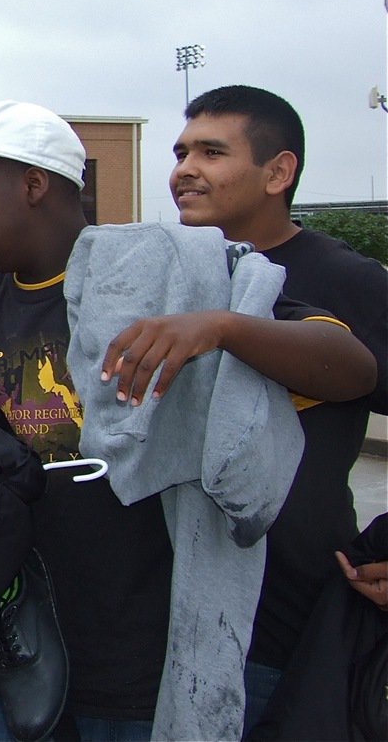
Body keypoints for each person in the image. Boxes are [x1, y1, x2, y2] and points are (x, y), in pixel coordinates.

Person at [0, 100, 376, 741]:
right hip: (22, 661)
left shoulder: (163, 272)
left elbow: (351, 366)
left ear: (34, 185)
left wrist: (218, 328)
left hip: (141, 670)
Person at [169, 84, 388, 733]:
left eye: (211, 152)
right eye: (181, 153)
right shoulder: (166, 276)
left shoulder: (345, 281)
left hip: (287, 635)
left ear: (278, 171)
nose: (185, 170)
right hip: (166, 631)